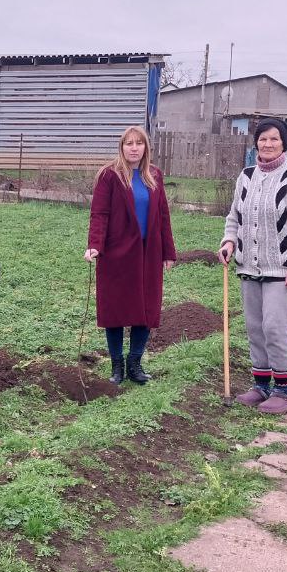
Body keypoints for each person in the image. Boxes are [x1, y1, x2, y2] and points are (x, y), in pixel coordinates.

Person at [218, 117, 287, 414]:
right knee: (255, 328)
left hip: (283, 269)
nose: (267, 144)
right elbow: (235, 216)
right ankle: (261, 385)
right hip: (249, 268)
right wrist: (229, 241)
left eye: (274, 138)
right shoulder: (246, 176)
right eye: (262, 139)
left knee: (275, 327)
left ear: (284, 143)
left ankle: (284, 390)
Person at [84, 125, 177, 385]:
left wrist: (168, 251)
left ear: (146, 147)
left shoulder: (154, 175)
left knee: (145, 308)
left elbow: (163, 216)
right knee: (115, 308)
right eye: (129, 143)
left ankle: (135, 363)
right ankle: (117, 366)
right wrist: (95, 244)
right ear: (122, 147)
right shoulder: (109, 175)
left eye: (139, 143)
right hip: (117, 252)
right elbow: (99, 214)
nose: (134, 148)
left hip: (148, 253)